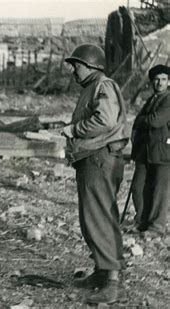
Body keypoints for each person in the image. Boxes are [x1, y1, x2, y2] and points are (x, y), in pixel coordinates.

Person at [62, 44, 129, 304]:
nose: (73, 71)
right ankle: (102, 273)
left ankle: (113, 282)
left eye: (76, 65)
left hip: (100, 159)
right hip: (92, 159)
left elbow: (105, 120)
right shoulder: (93, 87)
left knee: (100, 218)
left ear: (91, 65)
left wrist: (74, 129)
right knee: (91, 218)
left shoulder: (103, 85)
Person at [130, 64, 170, 238]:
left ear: (169, 82)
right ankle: (142, 221)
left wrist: (140, 121)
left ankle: (156, 227)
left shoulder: (168, 100)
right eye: (156, 80)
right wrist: (140, 121)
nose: (159, 83)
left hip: (163, 151)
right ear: (152, 82)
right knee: (139, 188)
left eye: (163, 79)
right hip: (145, 151)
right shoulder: (151, 99)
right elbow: (140, 121)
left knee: (159, 190)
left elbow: (155, 121)